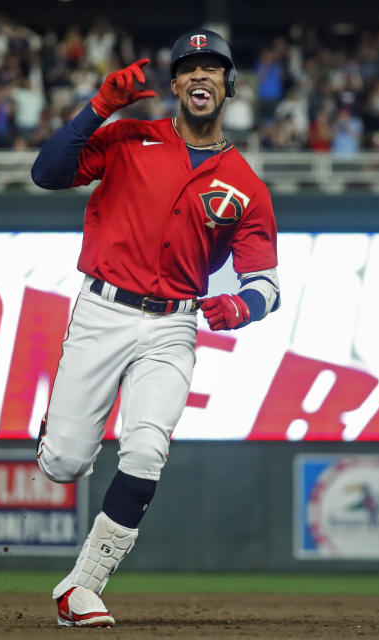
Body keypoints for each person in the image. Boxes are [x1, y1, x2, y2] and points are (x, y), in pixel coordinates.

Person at [30, 28, 280, 628]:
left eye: (212, 69)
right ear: (174, 85)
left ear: (228, 86)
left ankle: (81, 587)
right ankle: (58, 434)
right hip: (102, 310)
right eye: (189, 68)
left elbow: (266, 284)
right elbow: (47, 173)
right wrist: (99, 108)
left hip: (174, 324)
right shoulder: (128, 137)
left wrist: (239, 308)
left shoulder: (244, 182)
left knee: (146, 447)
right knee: (63, 462)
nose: (200, 77)